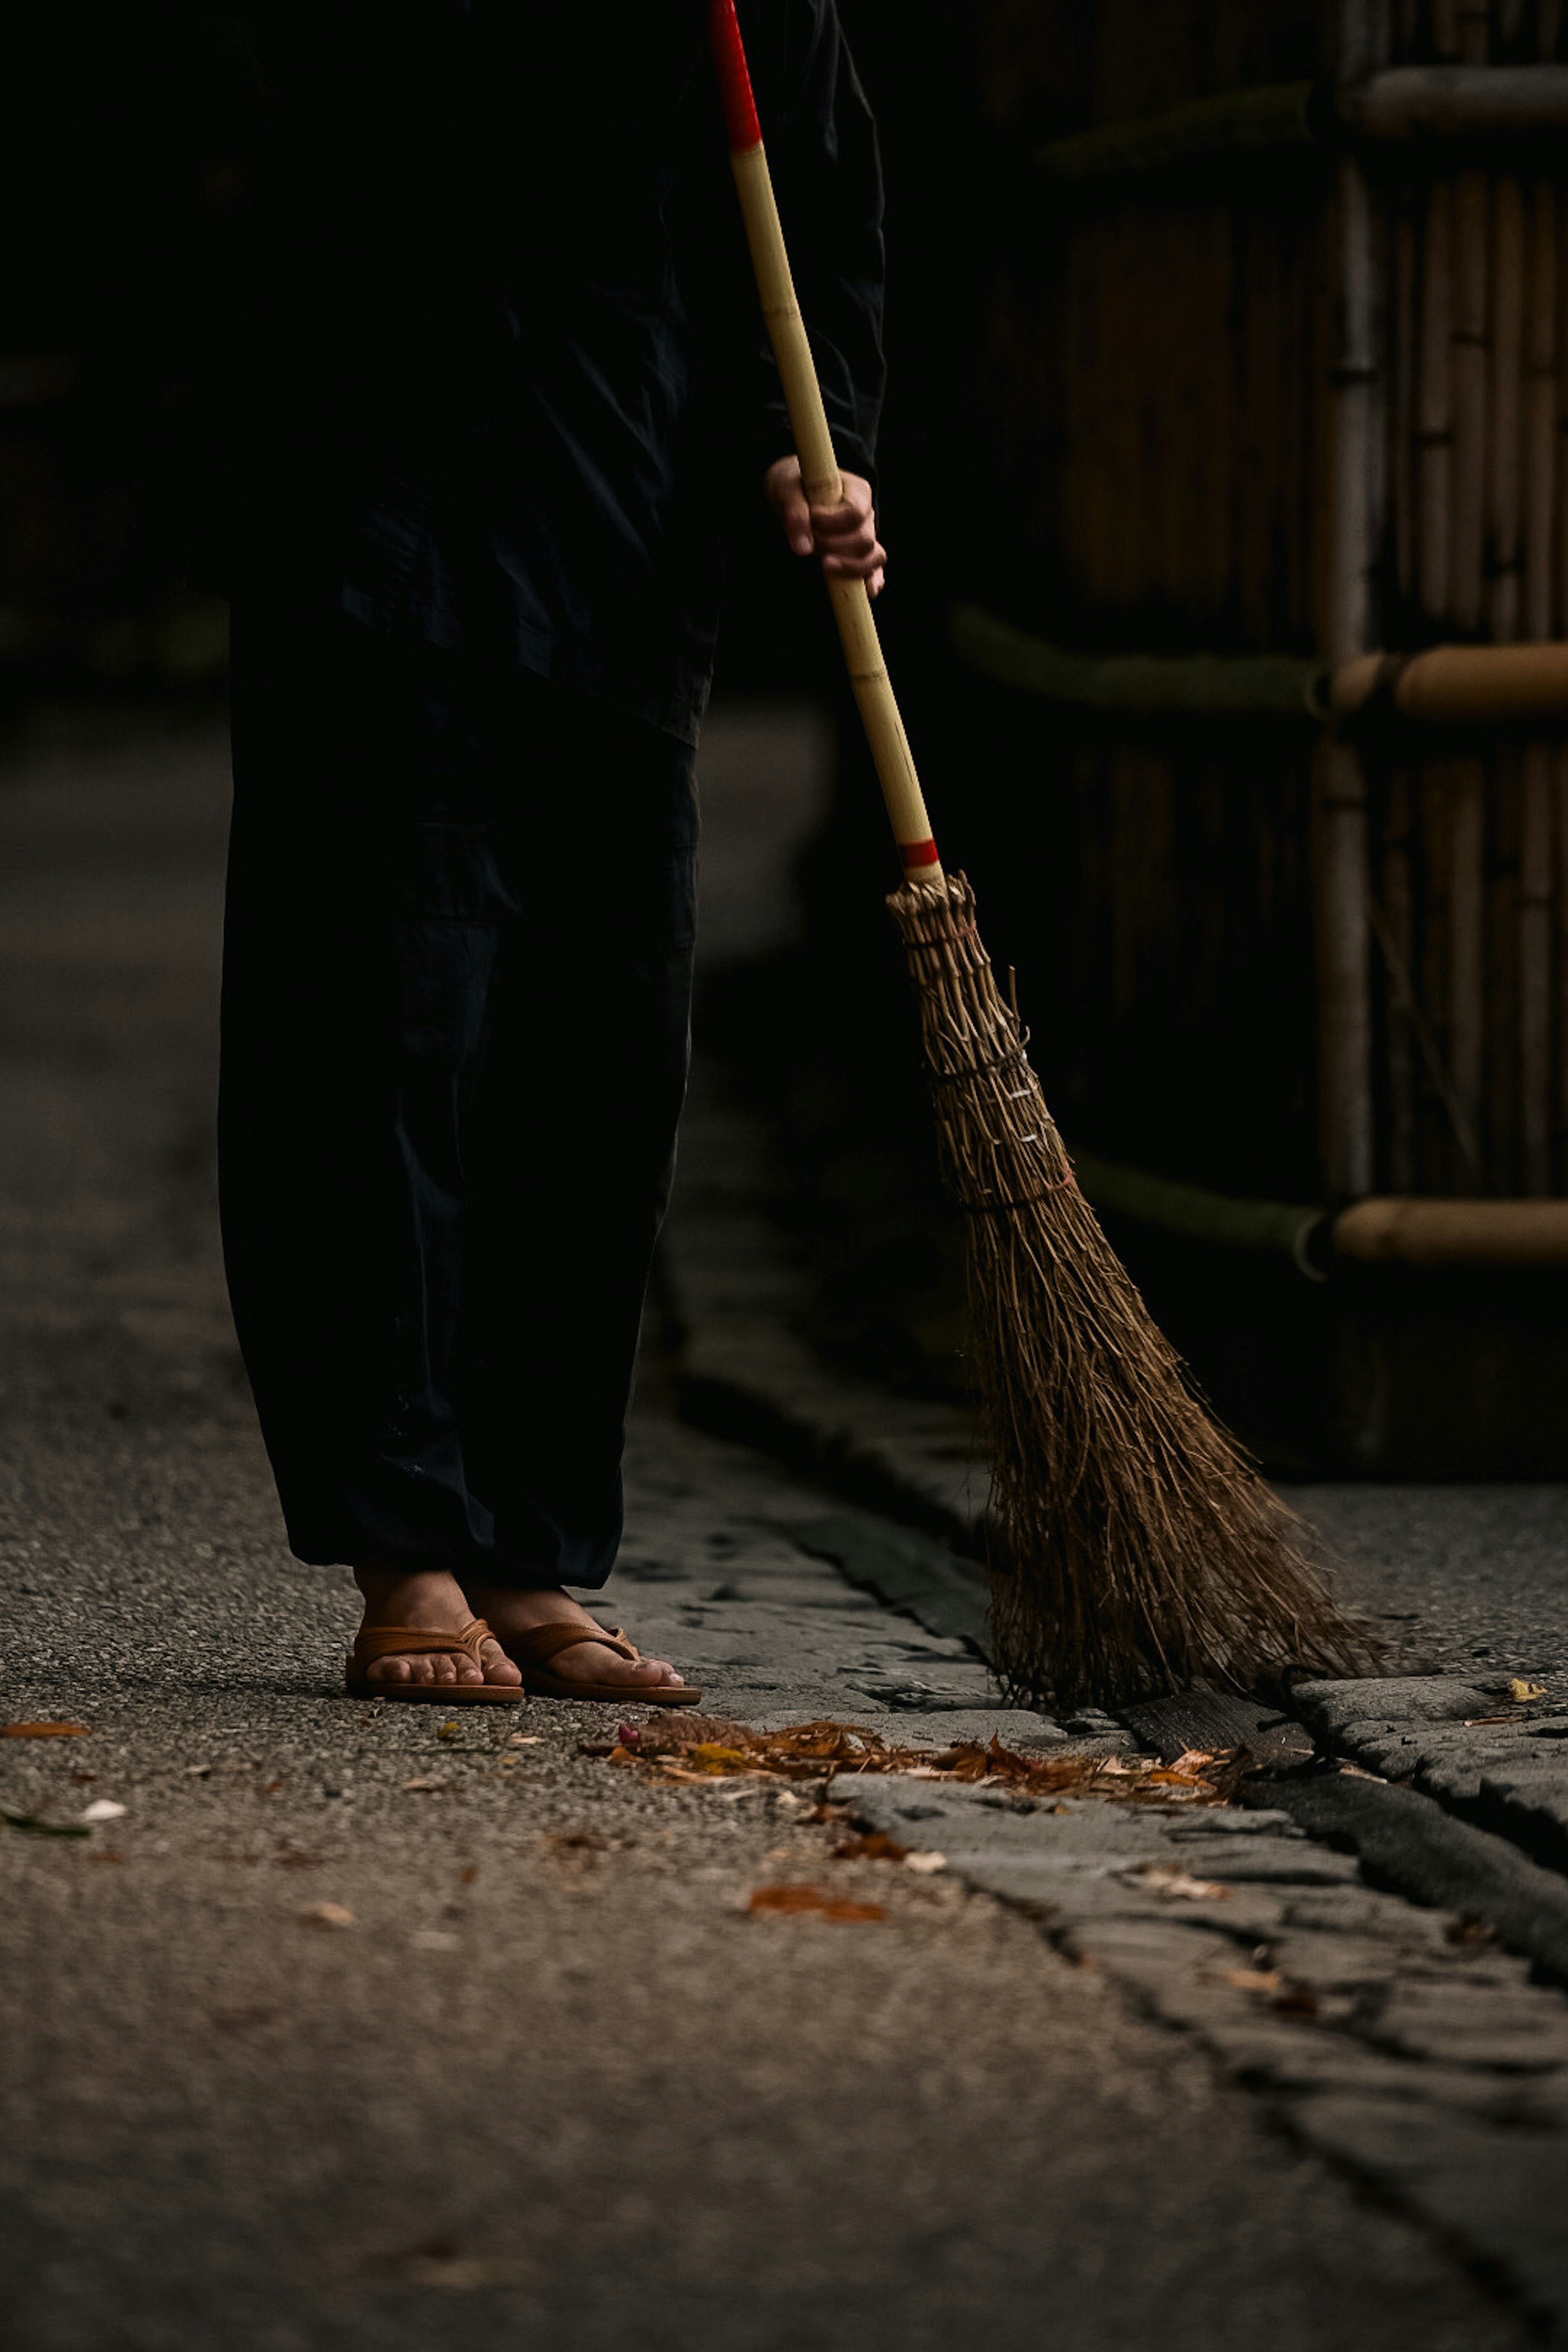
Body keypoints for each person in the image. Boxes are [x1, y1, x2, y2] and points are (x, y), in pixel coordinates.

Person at [212, 0, 887, 1699]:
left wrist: (817, 448)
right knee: (388, 1028)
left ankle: (531, 1548)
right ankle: (406, 1545)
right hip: (390, 509)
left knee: (599, 1049)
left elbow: (807, 211)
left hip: (630, 533)